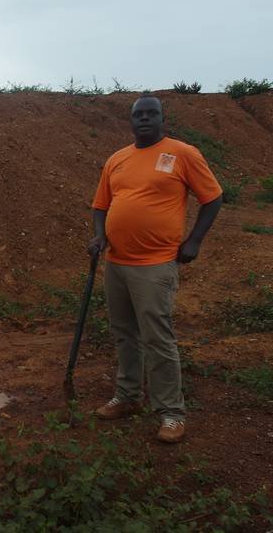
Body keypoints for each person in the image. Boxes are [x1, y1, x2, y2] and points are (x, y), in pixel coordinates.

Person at [88, 95, 222, 444]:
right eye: (138, 115)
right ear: (130, 121)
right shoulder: (117, 159)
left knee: (157, 337)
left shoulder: (183, 153)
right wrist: (100, 235)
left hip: (155, 264)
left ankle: (171, 413)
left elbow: (212, 197)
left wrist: (194, 241)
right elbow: (101, 205)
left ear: (163, 119)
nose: (144, 119)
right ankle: (127, 397)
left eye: (151, 114)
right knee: (123, 333)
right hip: (116, 263)